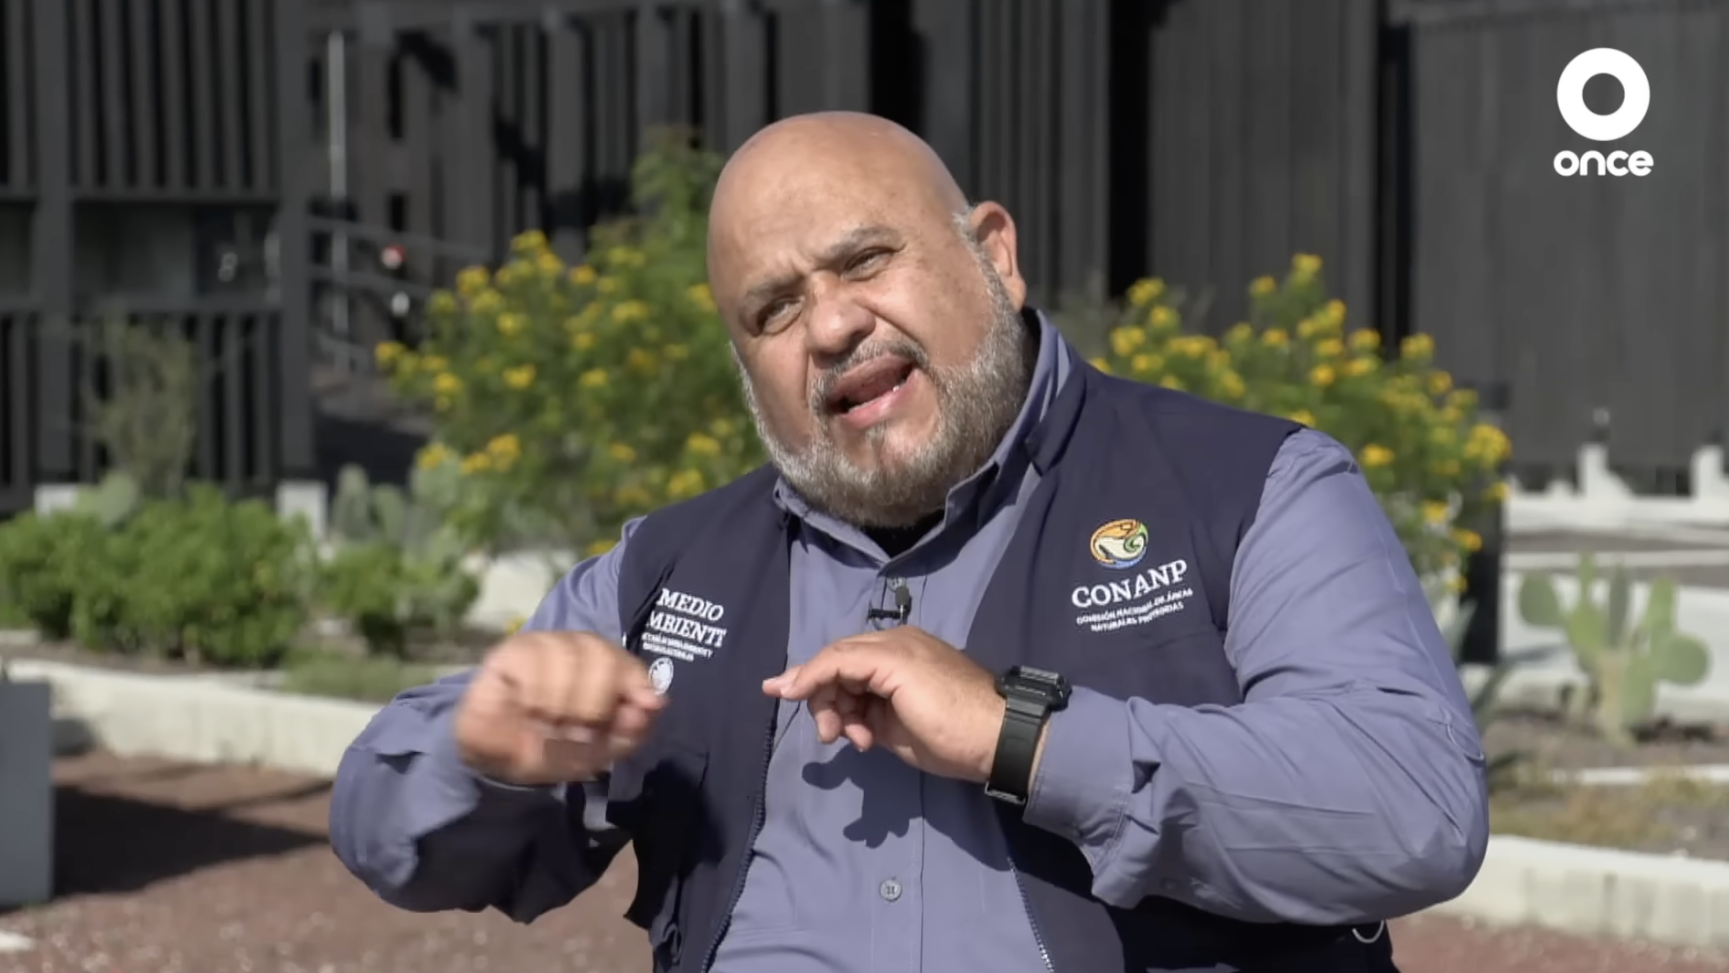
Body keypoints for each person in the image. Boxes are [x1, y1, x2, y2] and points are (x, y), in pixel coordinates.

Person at [329, 111, 1489, 973]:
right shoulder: (668, 573)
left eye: (865, 261)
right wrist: (476, 747)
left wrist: (1018, 734)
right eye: (774, 310)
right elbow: (389, 842)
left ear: (993, 254)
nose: (830, 323)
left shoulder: (1249, 488)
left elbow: (1412, 812)